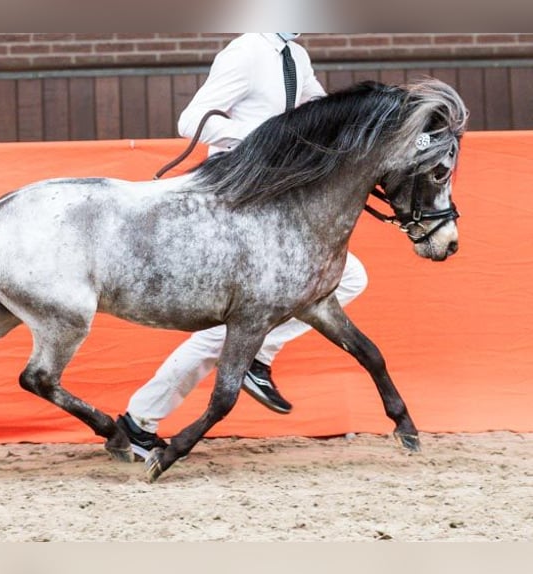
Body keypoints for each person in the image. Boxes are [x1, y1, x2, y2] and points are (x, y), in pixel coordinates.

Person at [116, 33, 369, 459]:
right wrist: (269, 135)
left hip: (271, 196)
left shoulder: (296, 56)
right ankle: (150, 414)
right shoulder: (247, 50)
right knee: (233, 327)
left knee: (348, 278)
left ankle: (244, 360)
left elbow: (321, 112)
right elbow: (192, 119)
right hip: (231, 193)